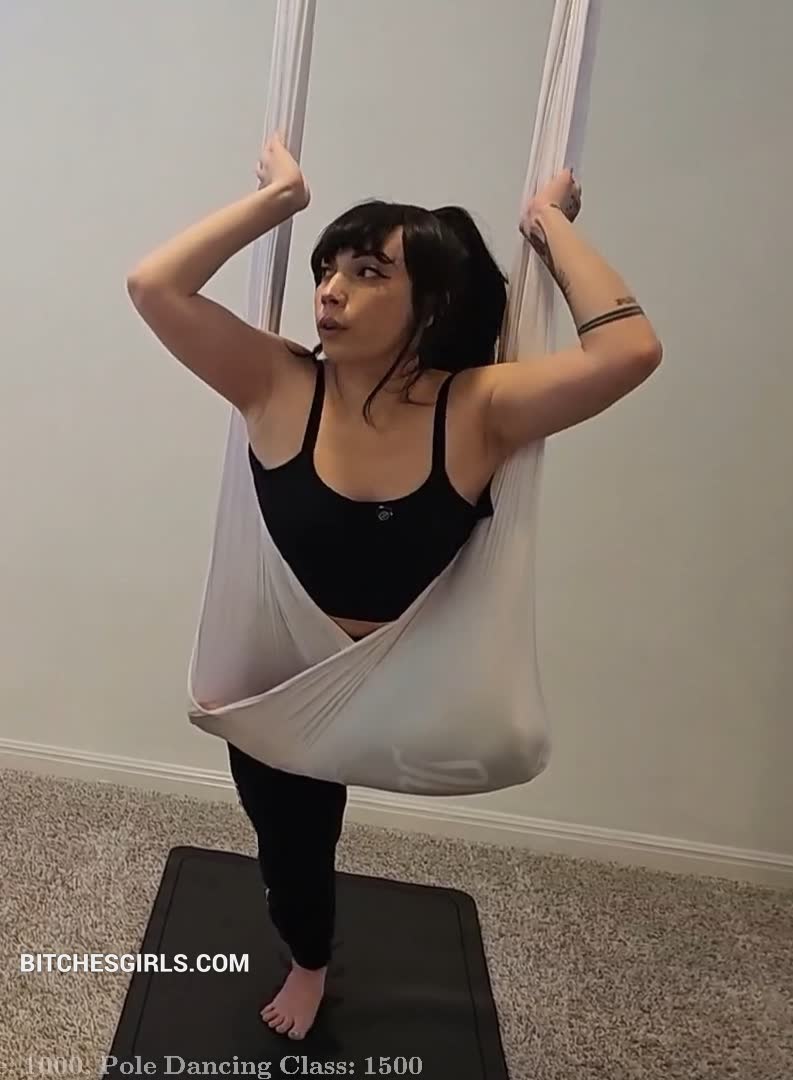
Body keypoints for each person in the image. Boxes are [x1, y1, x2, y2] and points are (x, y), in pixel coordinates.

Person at [126, 132, 662, 1040]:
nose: (330, 290)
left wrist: (548, 226)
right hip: (284, 687)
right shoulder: (275, 382)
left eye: (368, 272)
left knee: (475, 757)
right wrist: (278, 200)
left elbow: (629, 350)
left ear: (434, 301)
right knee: (293, 850)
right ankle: (310, 961)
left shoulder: (480, 407)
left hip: (414, 677)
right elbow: (155, 287)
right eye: (326, 269)